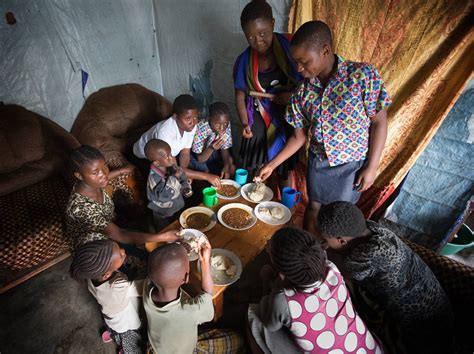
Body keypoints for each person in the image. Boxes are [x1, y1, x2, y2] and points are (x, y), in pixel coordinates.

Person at [257, 20, 392, 235]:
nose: (299, 69)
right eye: (296, 63)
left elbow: (379, 122)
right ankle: (310, 251)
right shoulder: (303, 92)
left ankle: (332, 259)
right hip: (318, 162)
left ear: (325, 51)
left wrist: (372, 166)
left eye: (304, 61)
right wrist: (272, 165)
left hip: (350, 165)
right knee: (314, 206)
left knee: (341, 216)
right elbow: (298, 137)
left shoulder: (361, 76)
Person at [318, 201, 454, 354]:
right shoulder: (373, 227)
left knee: (339, 287)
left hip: (422, 333)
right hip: (442, 309)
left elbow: (340, 273)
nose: (325, 242)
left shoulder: (361, 257)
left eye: (326, 239)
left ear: (341, 240)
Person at [248, 227, 383, 353]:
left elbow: (270, 325)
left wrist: (267, 283)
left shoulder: (283, 301)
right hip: (371, 349)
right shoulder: (332, 269)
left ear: (282, 275)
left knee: (254, 316)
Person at [234, 0, 302, 185]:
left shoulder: (291, 46)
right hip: (259, 111)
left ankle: (285, 204)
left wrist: (292, 98)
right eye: (251, 37)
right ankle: (254, 194)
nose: (258, 41)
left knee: (285, 160)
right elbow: (240, 95)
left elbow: (309, 82)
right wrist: (245, 123)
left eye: (263, 33)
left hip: (291, 108)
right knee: (255, 147)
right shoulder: (244, 61)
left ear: (272, 24)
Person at [66, 145, 180, 253]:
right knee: (148, 255)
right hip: (96, 247)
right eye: (95, 172)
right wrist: (162, 237)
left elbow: (104, 176)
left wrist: (122, 170)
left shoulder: (91, 183)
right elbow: (120, 235)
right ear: (79, 176)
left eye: (104, 166)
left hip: (110, 225)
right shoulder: (81, 209)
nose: (104, 174)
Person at [143, 242, 243, 353]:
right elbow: (207, 296)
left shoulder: (147, 286)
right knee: (238, 340)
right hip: (184, 351)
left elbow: (164, 263)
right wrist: (204, 261)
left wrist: (180, 250)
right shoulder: (190, 311)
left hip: (156, 347)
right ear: (186, 278)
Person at [70, 239, 145, 353]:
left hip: (110, 314)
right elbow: (142, 288)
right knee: (131, 333)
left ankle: (113, 332)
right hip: (124, 318)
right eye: (120, 254)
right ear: (106, 275)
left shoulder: (92, 277)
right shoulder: (117, 285)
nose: (123, 251)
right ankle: (126, 348)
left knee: (114, 325)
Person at [133, 94, 221, 188]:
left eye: (195, 117)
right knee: (164, 184)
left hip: (169, 155)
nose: (193, 122)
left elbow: (185, 153)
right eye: (188, 118)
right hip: (144, 157)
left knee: (182, 178)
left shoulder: (191, 126)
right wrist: (207, 177)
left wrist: (185, 174)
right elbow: (173, 167)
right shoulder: (165, 132)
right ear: (175, 116)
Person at [144, 139, 192, 231]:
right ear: (156, 162)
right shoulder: (154, 178)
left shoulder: (171, 166)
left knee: (180, 228)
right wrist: (174, 178)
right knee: (166, 231)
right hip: (163, 214)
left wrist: (185, 188)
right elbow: (163, 196)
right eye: (167, 157)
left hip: (177, 207)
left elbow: (182, 177)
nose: (171, 158)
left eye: (170, 154)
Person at [190, 102, 236, 179]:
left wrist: (226, 165)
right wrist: (211, 148)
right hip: (197, 155)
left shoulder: (225, 123)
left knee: (231, 166)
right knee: (205, 172)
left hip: (213, 150)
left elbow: (224, 148)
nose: (222, 128)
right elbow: (200, 159)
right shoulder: (201, 128)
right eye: (217, 124)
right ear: (209, 118)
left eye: (225, 124)